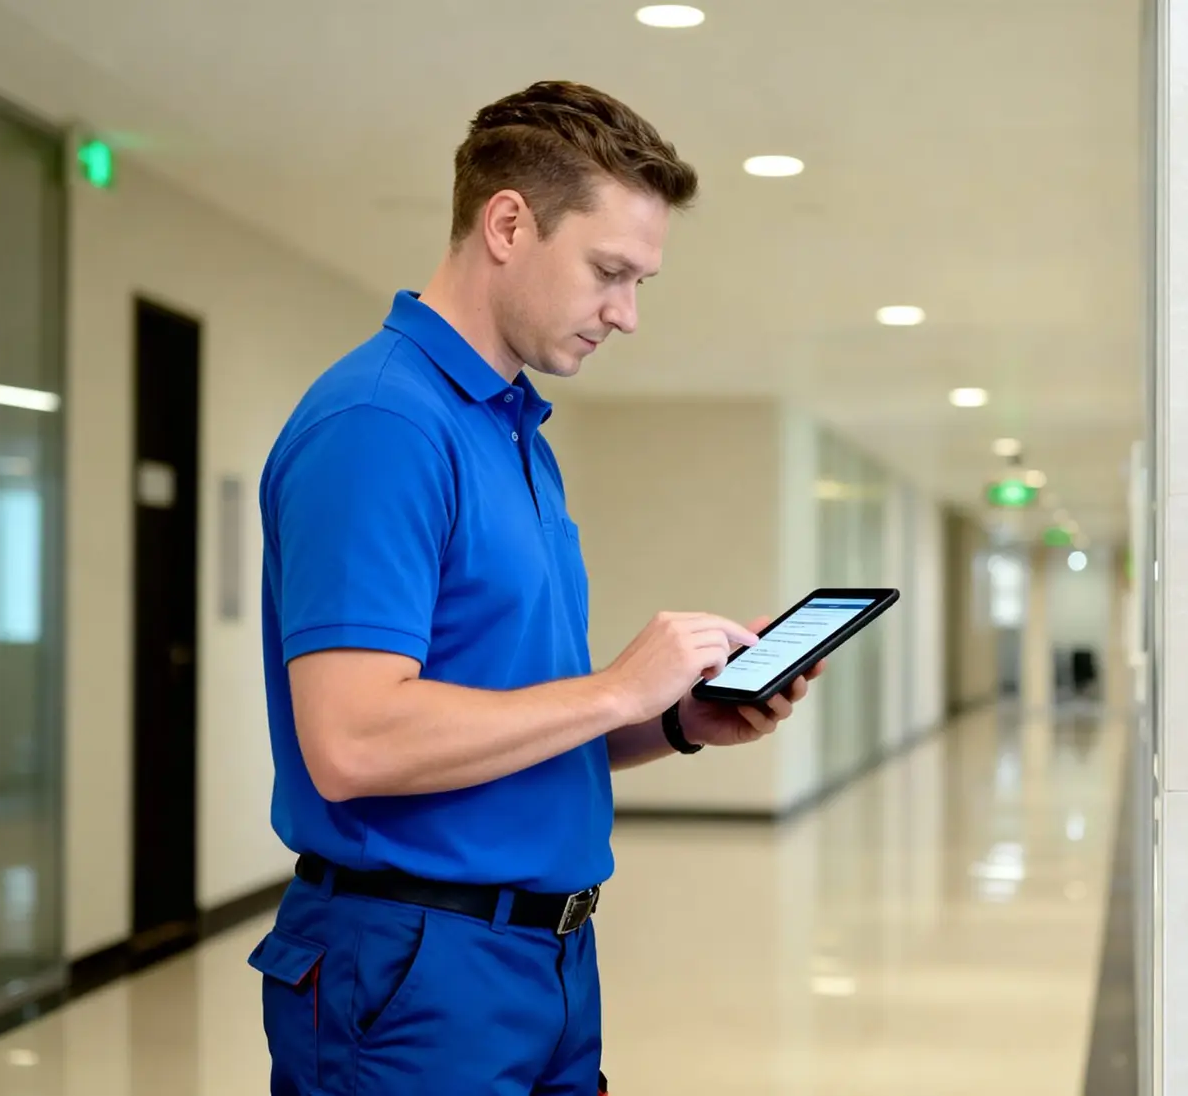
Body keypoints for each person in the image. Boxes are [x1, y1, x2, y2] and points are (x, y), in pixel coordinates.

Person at [245, 80, 818, 1096]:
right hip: (415, 973)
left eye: (641, 281)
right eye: (610, 272)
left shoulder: (513, 431)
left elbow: (510, 720)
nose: (628, 314)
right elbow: (354, 740)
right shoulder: (383, 424)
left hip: (546, 961)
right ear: (508, 222)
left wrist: (675, 718)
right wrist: (615, 686)